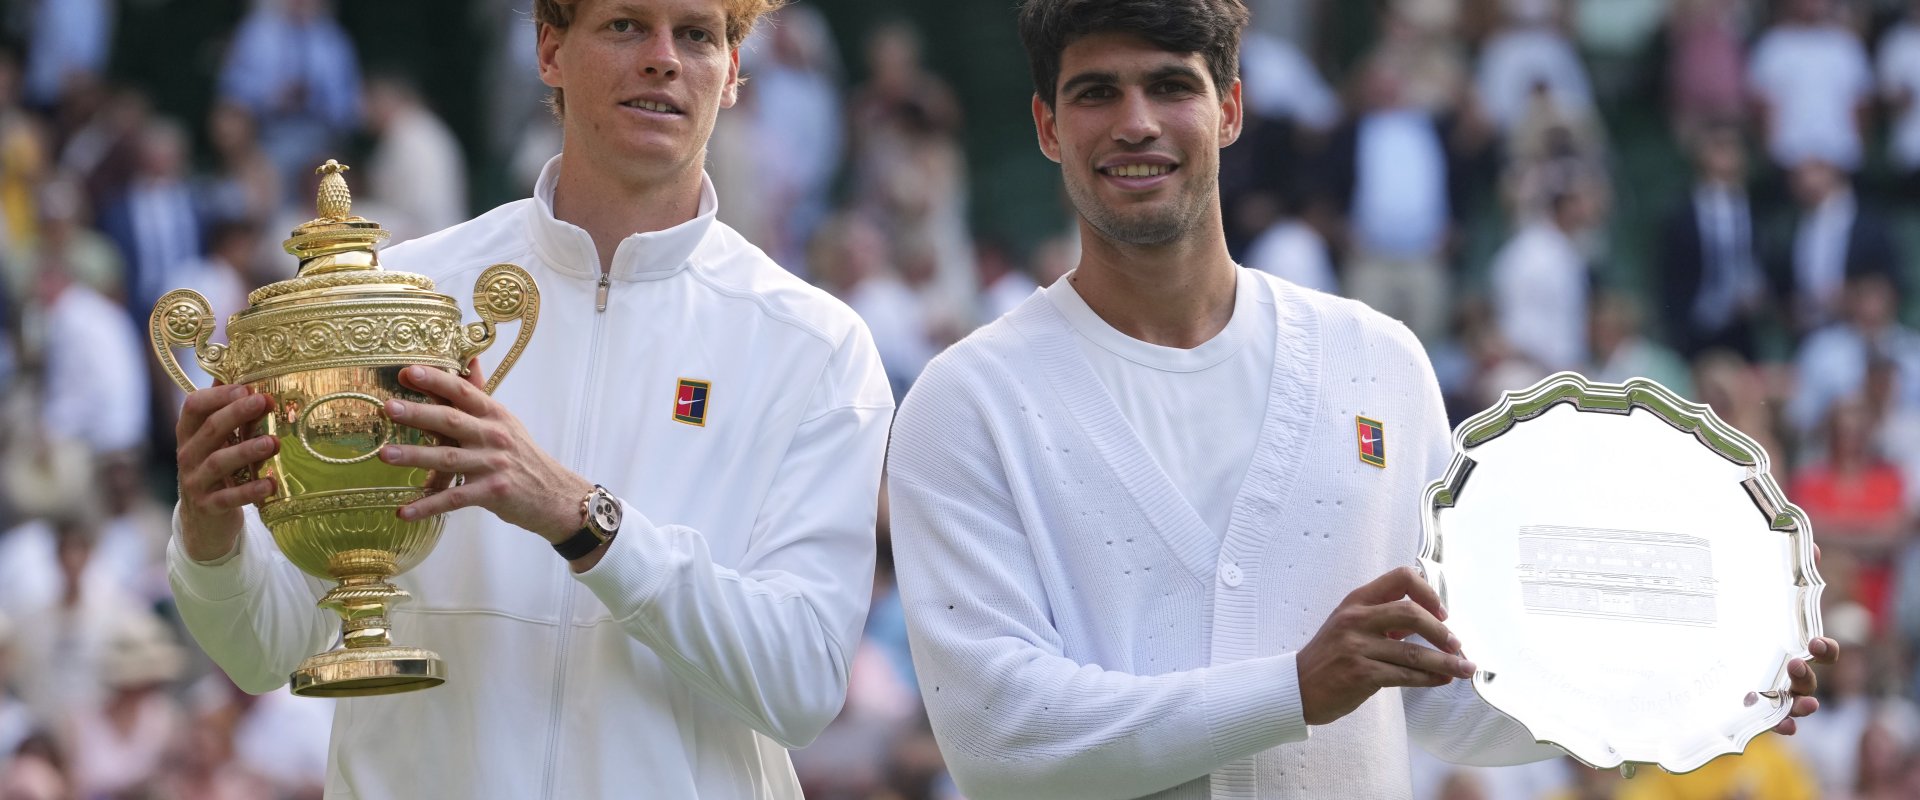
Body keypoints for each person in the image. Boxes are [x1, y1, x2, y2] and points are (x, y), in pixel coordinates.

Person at [882, 2, 1838, 798]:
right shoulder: (963, 403)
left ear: (1231, 110)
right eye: (1097, 92)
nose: (1136, 121)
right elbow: (998, 737)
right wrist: (1293, 687)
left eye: (1172, 84)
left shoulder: (1374, 361)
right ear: (1049, 126)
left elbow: (1448, 696)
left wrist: (1677, 683)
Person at [165, 0, 894, 797]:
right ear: (550, 49)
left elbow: (803, 685)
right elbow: (266, 647)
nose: (663, 59)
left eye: (697, 34)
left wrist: (584, 520)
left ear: (730, 76)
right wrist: (212, 537)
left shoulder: (817, 345)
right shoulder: (397, 302)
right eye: (624, 25)